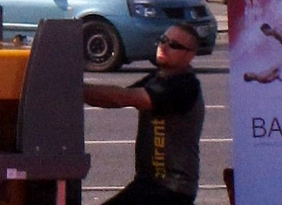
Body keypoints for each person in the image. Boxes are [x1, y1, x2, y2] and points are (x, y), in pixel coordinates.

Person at [84, 21, 205, 204]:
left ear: (190, 56)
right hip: (148, 184)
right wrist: (74, 92)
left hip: (172, 190)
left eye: (174, 45)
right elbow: (116, 99)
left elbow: (124, 98)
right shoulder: (158, 78)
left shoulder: (184, 86)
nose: (164, 46)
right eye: (163, 40)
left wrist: (75, 89)